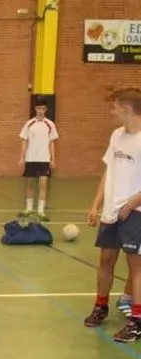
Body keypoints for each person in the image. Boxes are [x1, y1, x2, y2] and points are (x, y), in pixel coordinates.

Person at [84, 87, 141, 343]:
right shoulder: (117, 135)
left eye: (115, 107)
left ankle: (137, 321)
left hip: (136, 212)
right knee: (106, 260)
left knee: (136, 266)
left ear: (127, 109)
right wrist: (96, 203)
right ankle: (100, 306)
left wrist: (133, 202)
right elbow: (108, 170)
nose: (111, 111)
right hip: (111, 212)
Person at [18, 98, 58, 221]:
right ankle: (29, 209)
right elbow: (24, 141)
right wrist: (22, 157)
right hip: (31, 158)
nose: (40, 110)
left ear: (46, 109)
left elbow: (52, 142)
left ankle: (41, 211)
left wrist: (53, 159)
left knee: (43, 185)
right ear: (35, 109)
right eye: (38, 108)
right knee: (29, 184)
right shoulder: (29, 124)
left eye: (43, 108)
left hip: (44, 159)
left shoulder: (50, 124)